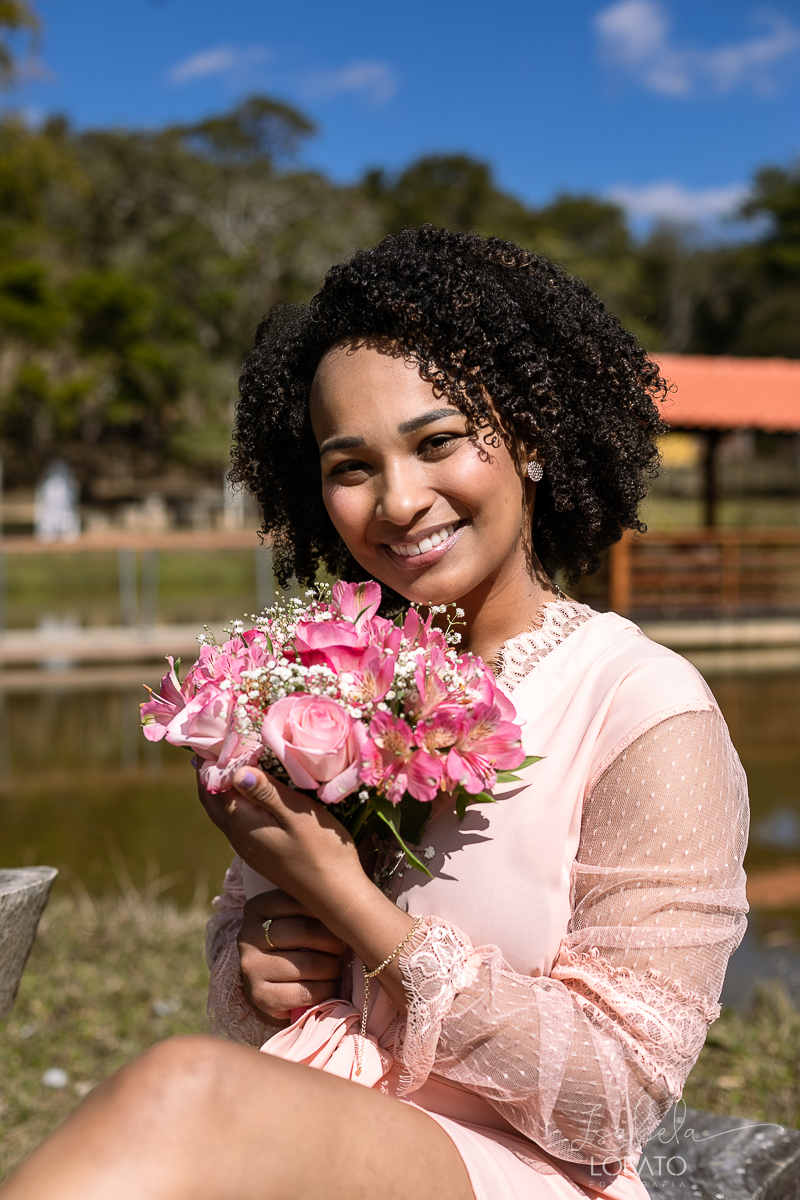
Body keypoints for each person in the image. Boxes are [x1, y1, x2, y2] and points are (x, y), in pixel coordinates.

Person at [2, 227, 748, 1200]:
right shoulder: (325, 674)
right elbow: (253, 954)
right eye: (349, 466)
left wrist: (352, 908)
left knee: (183, 1091)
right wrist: (259, 962)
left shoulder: (645, 708)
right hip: (324, 1141)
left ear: (524, 437)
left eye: (436, 442)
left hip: (523, 1176)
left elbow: (614, 1101)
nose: (397, 501)